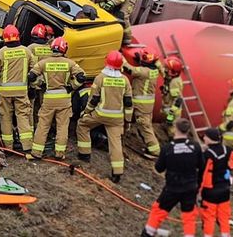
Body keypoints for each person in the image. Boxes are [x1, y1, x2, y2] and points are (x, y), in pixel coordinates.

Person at [141, 118, 204, 237]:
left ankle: (148, 233)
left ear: (176, 129)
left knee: (159, 210)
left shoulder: (168, 148)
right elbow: (202, 166)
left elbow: (159, 168)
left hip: (172, 187)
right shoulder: (195, 147)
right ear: (188, 131)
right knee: (189, 215)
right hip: (190, 187)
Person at [76, 50, 133, 183]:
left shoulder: (100, 78)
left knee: (82, 125)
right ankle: (117, 172)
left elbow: (94, 99)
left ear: (106, 62)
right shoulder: (124, 80)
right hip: (117, 119)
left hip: (100, 114)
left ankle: (84, 154)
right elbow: (129, 103)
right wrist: (128, 121)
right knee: (115, 143)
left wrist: (86, 112)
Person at [27, 37, 85, 160]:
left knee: (43, 125)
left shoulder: (44, 63)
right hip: (64, 98)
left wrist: (40, 84)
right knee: (62, 127)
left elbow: (31, 76)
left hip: (48, 98)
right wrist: (72, 87)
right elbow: (81, 77)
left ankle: (36, 152)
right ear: (64, 49)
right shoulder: (70, 63)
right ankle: (59, 154)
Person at [0, 24, 35, 151]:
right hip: (21, 92)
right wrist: (33, 88)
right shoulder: (26, 51)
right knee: (23, 117)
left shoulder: (1, 53)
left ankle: (8, 147)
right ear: (18, 36)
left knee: (5, 119)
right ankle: (27, 147)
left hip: (4, 93)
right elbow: (33, 73)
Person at [200, 127, 233, 237]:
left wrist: (199, 190)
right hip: (224, 190)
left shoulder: (208, 155)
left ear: (210, 139)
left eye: (205, 136)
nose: (204, 138)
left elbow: (203, 172)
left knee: (209, 218)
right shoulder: (226, 150)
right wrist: (229, 166)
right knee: (224, 217)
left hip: (210, 191)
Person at [122, 47, 161, 158]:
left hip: (141, 105)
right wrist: (140, 59)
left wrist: (122, 59)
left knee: (144, 126)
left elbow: (130, 69)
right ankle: (152, 147)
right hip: (148, 105)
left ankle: (154, 151)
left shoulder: (143, 72)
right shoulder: (153, 70)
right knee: (146, 125)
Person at [27, 23, 55, 128]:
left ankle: (32, 129)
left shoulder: (30, 48)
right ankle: (44, 129)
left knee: (31, 108)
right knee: (44, 109)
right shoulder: (50, 49)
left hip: (33, 83)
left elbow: (29, 66)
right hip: (46, 83)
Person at [160, 56, 184, 139]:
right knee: (169, 127)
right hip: (168, 109)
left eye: (167, 68)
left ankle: (175, 142)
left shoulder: (174, 83)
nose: (165, 69)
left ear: (172, 72)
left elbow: (177, 100)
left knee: (173, 130)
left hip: (173, 111)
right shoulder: (170, 78)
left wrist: (170, 115)